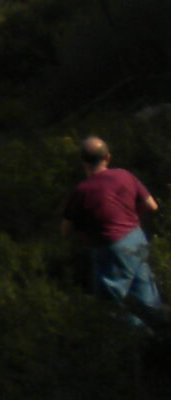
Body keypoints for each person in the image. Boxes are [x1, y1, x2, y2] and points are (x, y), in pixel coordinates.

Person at [62, 135, 164, 323]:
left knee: (112, 306)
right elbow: (152, 206)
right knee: (146, 296)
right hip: (136, 238)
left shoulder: (81, 191)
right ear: (107, 157)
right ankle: (160, 340)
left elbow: (66, 230)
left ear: (82, 161)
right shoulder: (125, 175)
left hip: (109, 248)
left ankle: (136, 342)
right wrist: (132, 218)